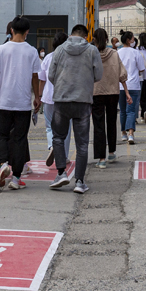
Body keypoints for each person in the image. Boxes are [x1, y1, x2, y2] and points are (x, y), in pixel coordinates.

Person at [0, 17, 42, 190]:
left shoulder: (2, 49)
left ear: (11, 30)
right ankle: (16, 178)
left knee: (2, 135)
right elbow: (35, 76)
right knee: (19, 139)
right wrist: (37, 96)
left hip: (4, 101)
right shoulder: (32, 51)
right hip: (23, 102)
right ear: (27, 32)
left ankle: (3, 163)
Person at [47, 24, 102, 193]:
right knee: (82, 143)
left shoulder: (59, 50)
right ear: (86, 36)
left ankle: (61, 173)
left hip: (61, 100)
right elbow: (98, 75)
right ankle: (79, 182)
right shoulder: (92, 50)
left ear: (71, 34)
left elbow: (50, 75)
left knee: (58, 137)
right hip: (83, 101)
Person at [91, 28, 127, 170]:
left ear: (94, 39)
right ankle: (111, 152)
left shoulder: (91, 54)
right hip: (113, 93)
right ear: (107, 39)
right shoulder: (114, 54)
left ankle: (101, 158)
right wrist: (127, 92)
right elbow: (122, 74)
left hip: (96, 93)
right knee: (111, 122)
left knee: (99, 125)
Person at [39, 32, 70, 167]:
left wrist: (39, 96)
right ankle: (63, 155)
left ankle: (52, 146)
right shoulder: (69, 58)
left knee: (49, 127)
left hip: (48, 97)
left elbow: (42, 80)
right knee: (66, 128)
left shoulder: (47, 58)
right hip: (65, 97)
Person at [116, 32, 145, 144]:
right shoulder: (136, 53)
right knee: (131, 110)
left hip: (120, 85)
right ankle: (131, 134)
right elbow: (142, 69)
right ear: (128, 40)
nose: (134, 41)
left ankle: (123, 133)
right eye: (133, 39)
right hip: (133, 85)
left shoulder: (117, 53)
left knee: (123, 110)